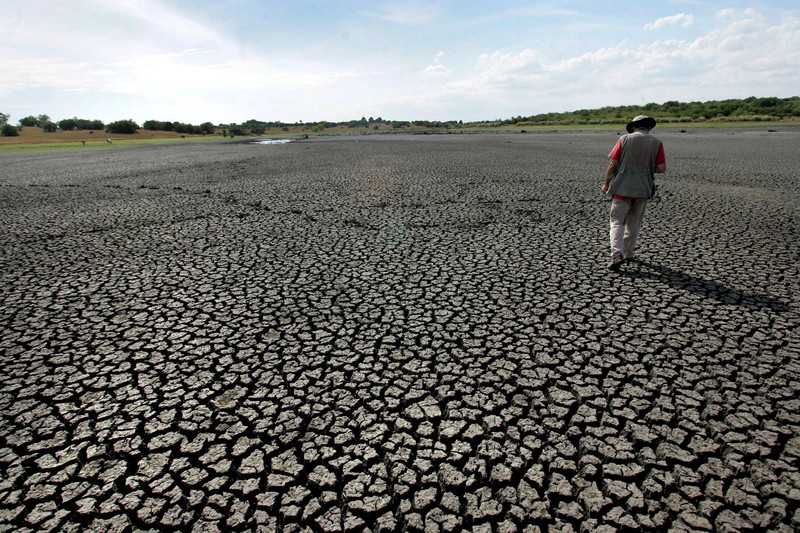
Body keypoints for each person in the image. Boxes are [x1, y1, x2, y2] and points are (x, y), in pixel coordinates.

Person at [602, 115, 666, 271]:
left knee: (617, 221)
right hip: (643, 189)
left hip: (622, 188)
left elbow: (613, 164)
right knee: (634, 223)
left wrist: (607, 183)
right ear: (648, 127)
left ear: (634, 127)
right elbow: (661, 168)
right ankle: (628, 253)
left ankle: (617, 255)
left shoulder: (624, 139)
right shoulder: (657, 142)